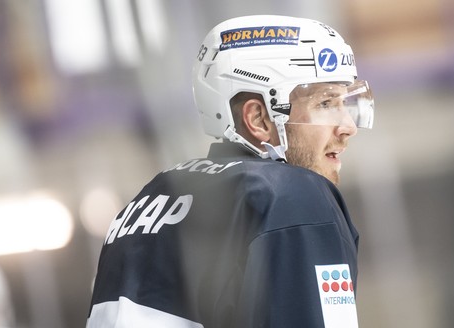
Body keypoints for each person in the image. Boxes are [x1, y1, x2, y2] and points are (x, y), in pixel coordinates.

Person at [86, 15, 374, 328]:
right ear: (259, 119)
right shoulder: (294, 195)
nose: (347, 127)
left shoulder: (148, 198)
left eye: (345, 102)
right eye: (325, 103)